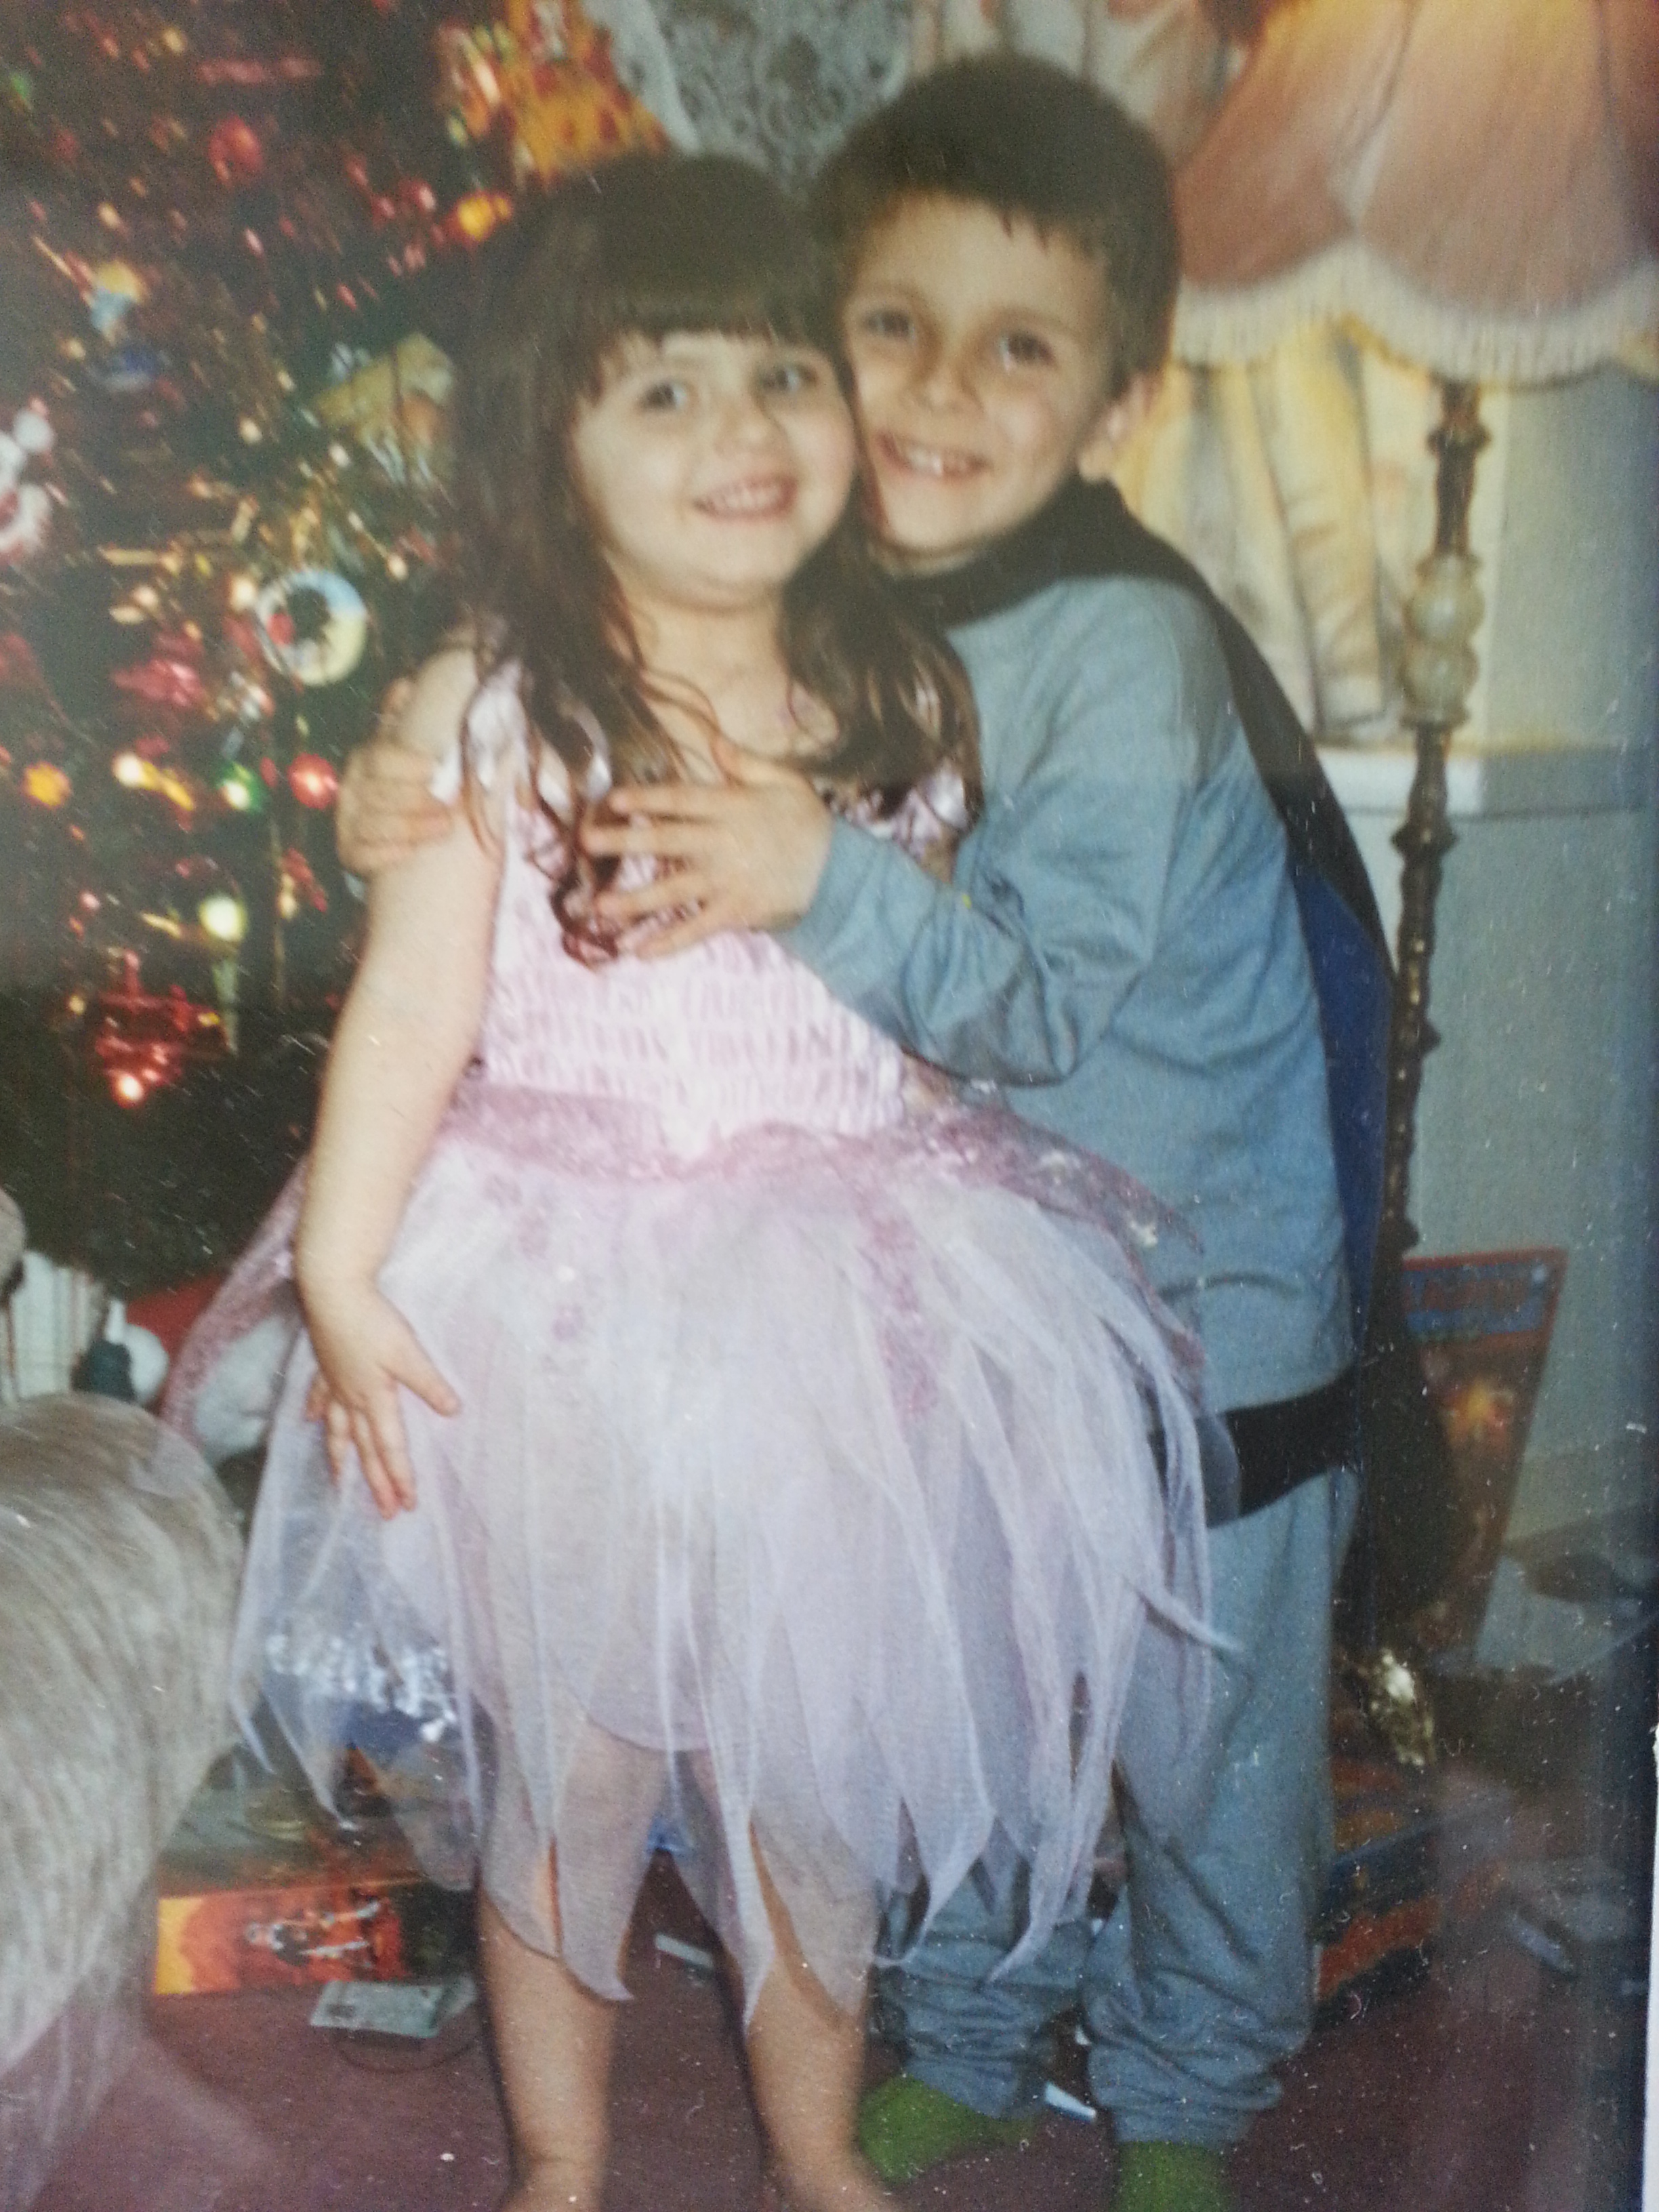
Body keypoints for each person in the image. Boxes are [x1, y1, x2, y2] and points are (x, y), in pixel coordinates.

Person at [337, 60, 1385, 2212]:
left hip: (1025, 1311)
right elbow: (456, 952)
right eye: (879, 331)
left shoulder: (1015, 667)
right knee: (740, 1743)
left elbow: (989, 1002)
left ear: (1119, 399)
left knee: (1015, 1753)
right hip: (740, 1300)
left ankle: (1016, 2123)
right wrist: (417, 750)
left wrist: (838, 942)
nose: (890, 401)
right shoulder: (665, 670)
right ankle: (747, 2109)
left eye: (784, 374)